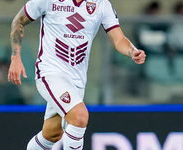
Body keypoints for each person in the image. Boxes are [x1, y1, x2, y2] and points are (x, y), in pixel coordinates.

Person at [8, 0, 146, 149]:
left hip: (76, 80)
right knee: (80, 117)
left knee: (52, 133)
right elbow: (19, 21)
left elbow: (118, 39)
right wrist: (15, 57)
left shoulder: (101, 4)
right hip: (50, 73)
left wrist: (132, 51)